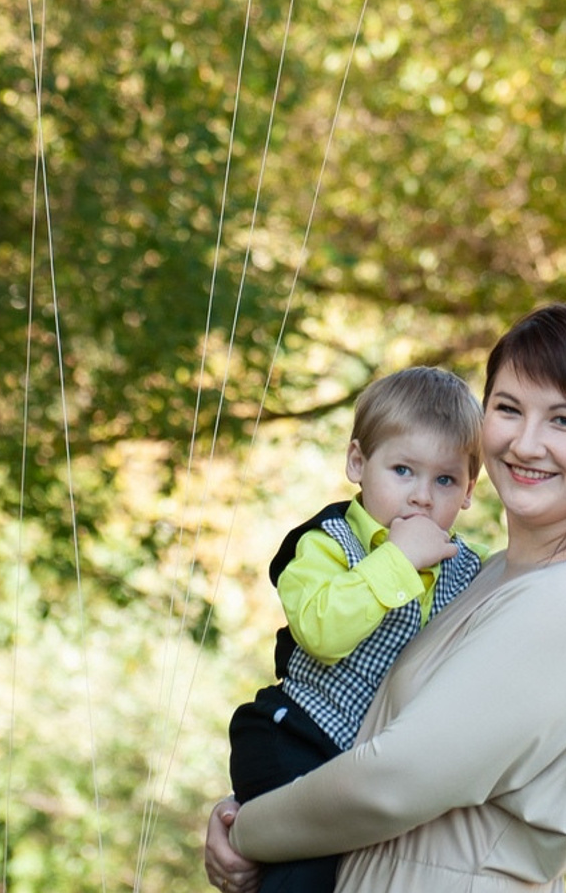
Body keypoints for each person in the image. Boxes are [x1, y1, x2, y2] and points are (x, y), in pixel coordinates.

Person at [204, 301, 566, 893]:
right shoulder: (496, 574)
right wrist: (259, 798)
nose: (525, 443)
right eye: (507, 408)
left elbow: (390, 782)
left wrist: (248, 831)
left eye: (564, 420)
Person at [228, 367, 486, 893]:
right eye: (403, 470)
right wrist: (396, 561)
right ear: (358, 463)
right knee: (305, 875)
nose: (421, 496)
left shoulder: (468, 570)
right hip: (293, 735)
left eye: (444, 479)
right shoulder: (325, 544)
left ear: (468, 491)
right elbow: (321, 631)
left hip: (367, 769)